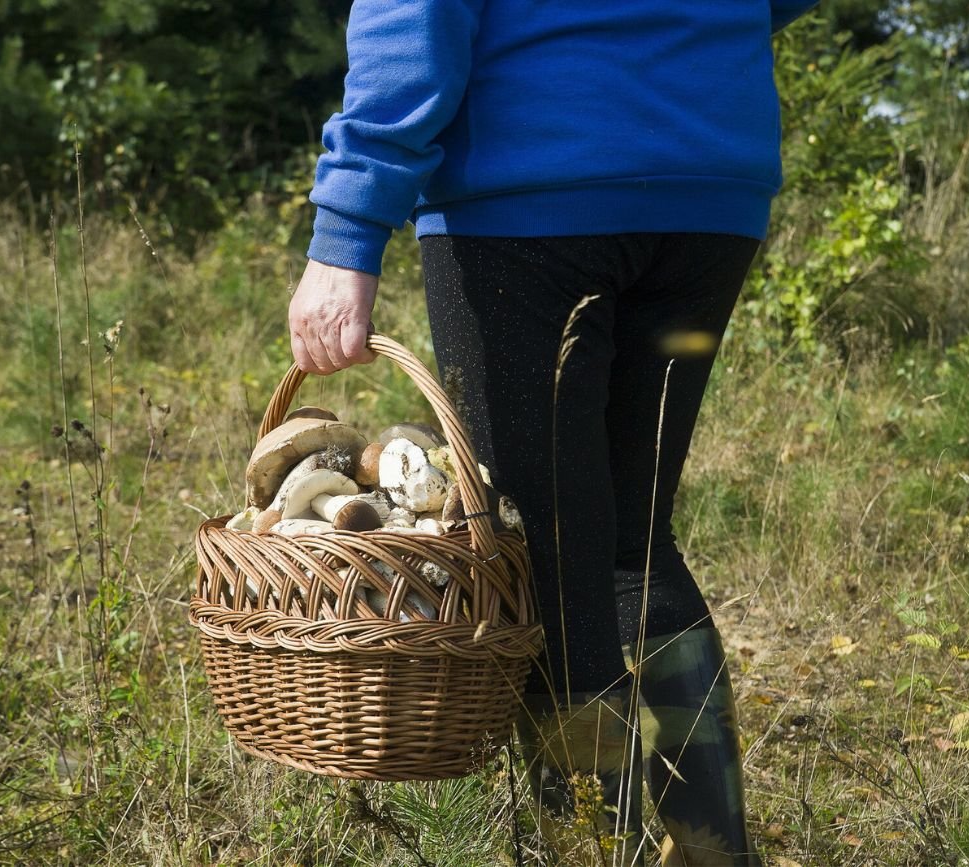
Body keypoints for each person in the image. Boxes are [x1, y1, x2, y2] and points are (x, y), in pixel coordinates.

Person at [288, 2, 816, 863]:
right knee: (630, 545)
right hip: (708, 189)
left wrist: (347, 224)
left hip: (530, 187)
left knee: (547, 555)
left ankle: (599, 853)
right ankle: (716, 851)